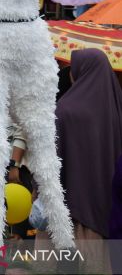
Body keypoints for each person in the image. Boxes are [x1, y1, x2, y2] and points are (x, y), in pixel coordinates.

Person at [56, 48, 122, 272]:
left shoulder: (65, 110)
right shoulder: (116, 109)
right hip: (111, 207)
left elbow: (53, 160)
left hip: (74, 207)